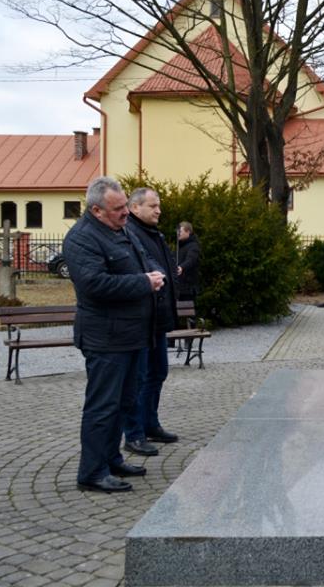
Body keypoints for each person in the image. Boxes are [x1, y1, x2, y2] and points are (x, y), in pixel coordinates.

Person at [63, 177, 165, 493]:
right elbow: (94, 284)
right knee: (103, 407)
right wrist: (144, 282)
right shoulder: (82, 238)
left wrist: (155, 273)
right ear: (97, 210)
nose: (125, 212)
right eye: (118, 208)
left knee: (124, 402)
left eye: (125, 206)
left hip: (132, 336)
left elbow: (143, 260)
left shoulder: (120, 229)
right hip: (106, 339)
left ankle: (111, 459)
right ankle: (92, 472)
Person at [123, 188, 180, 456]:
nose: (159, 210)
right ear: (135, 208)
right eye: (153, 206)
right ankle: (134, 434)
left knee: (157, 373)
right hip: (142, 319)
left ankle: (150, 424)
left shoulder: (154, 233)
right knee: (139, 378)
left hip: (158, 318)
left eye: (159, 205)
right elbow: (148, 266)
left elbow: (164, 267)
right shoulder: (130, 233)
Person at [176, 221, 201, 304]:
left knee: (186, 310)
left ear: (188, 232)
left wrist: (181, 267)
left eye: (180, 231)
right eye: (177, 232)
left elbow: (191, 260)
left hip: (188, 289)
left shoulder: (193, 246)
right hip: (179, 288)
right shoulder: (180, 247)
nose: (178, 234)